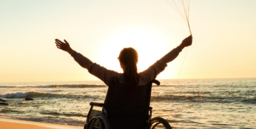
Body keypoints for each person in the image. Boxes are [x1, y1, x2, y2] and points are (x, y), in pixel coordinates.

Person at [54, 36, 192, 91]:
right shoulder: (146, 77)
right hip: (137, 122)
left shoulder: (113, 78)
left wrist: (70, 51)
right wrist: (181, 46)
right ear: (136, 60)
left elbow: (88, 65)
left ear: (120, 62)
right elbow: (164, 60)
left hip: (115, 122)